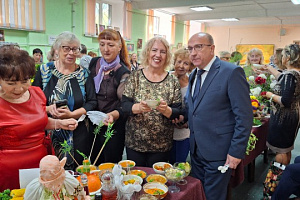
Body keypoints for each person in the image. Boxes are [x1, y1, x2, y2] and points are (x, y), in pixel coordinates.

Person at [184, 32, 253, 200]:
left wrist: (236, 152)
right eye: (190, 48)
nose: (193, 53)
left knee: (214, 196)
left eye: (199, 47)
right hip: (196, 150)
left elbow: (244, 116)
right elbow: (195, 109)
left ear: (212, 48)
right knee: (199, 194)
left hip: (219, 152)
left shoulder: (231, 72)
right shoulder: (194, 74)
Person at [0, 46, 78, 191]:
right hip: (10, 170)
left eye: (25, 81)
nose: (19, 88)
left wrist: (59, 123)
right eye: (11, 83)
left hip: (41, 163)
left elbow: (38, 122)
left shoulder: (36, 94)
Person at [32, 31, 97, 170]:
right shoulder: (44, 71)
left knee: (78, 172)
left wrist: (72, 114)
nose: (71, 53)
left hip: (78, 131)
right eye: (66, 48)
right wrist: (49, 109)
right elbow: (33, 102)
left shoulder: (84, 74)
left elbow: (92, 102)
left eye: (75, 49)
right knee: (52, 172)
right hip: (50, 131)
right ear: (57, 49)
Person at [122, 37, 182, 167]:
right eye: (154, 50)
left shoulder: (172, 81)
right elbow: (124, 105)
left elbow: (178, 111)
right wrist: (138, 107)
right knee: (135, 181)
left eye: (163, 51)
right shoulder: (135, 76)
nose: (158, 55)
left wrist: (167, 110)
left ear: (167, 56)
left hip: (162, 144)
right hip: (135, 142)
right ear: (148, 52)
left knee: (156, 182)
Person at [88, 29, 131, 165]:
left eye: (110, 45)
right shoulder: (94, 63)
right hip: (93, 123)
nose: (105, 49)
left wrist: (112, 115)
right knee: (94, 162)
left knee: (110, 166)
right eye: (102, 44)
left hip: (113, 126)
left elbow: (124, 104)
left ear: (119, 47)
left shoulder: (123, 72)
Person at [263, 44, 300, 166]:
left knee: (281, 150)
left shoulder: (290, 75)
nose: (281, 58)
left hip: (284, 118)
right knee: (286, 148)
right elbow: (281, 77)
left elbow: (285, 101)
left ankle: (277, 180)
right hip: (293, 115)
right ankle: (283, 176)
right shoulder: (294, 73)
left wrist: (269, 95)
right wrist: (268, 68)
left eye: (283, 55)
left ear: (288, 57)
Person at [169, 48, 194, 164]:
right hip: (166, 130)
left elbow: (194, 107)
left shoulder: (191, 83)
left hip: (184, 130)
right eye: (179, 62)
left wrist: (187, 122)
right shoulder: (166, 79)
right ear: (174, 62)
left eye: (186, 63)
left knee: (179, 164)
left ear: (190, 66)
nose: (181, 66)